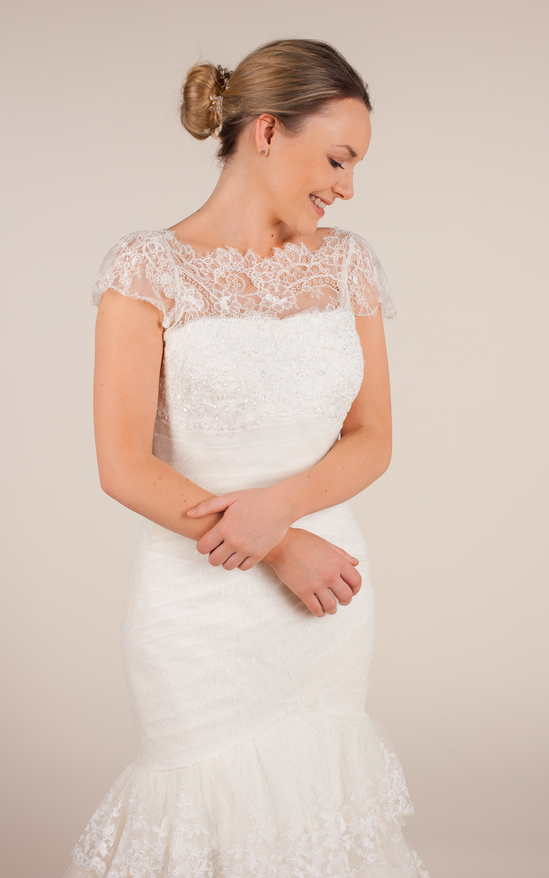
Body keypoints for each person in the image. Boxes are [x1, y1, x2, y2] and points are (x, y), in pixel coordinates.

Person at [63, 38, 430, 878]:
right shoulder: (146, 269)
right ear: (266, 132)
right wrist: (278, 543)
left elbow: (372, 435)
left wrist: (284, 509)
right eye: (337, 158)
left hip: (327, 599)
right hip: (201, 603)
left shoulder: (346, 265)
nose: (346, 187)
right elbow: (122, 464)